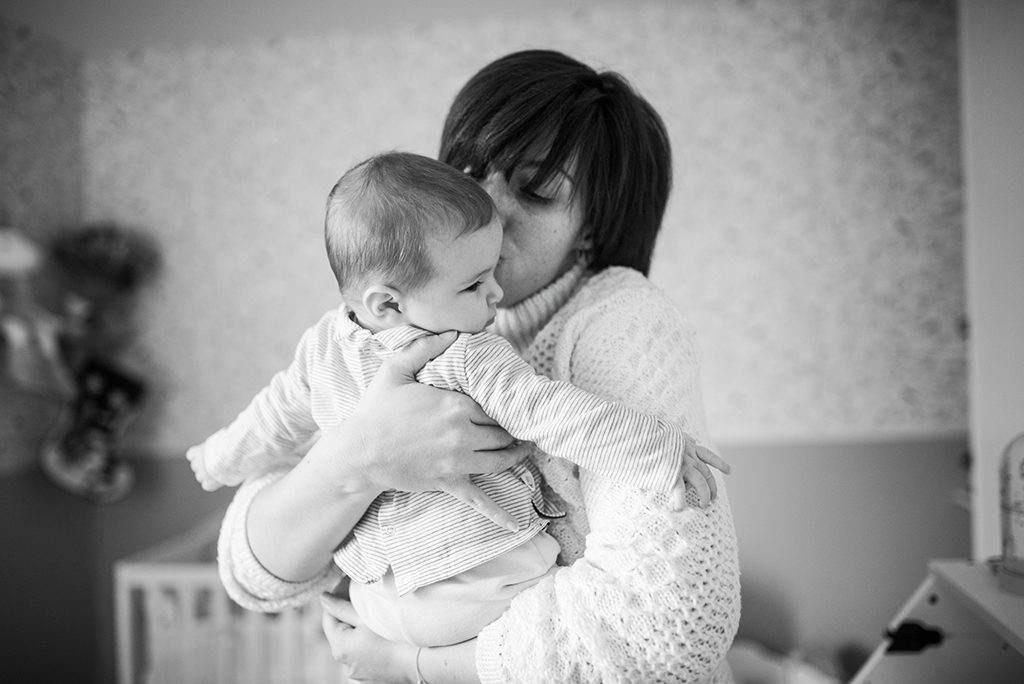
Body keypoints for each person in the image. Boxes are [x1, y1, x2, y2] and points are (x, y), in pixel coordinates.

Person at [215, 49, 741, 683]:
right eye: (466, 172)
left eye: (535, 190)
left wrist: (415, 664)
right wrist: (357, 458)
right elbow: (252, 573)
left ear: (591, 229)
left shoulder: (620, 321)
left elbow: (676, 629)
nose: (487, 204)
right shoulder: (382, 331)